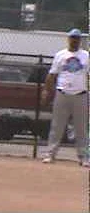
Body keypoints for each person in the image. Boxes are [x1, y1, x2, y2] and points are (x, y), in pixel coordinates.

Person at [41, 28, 89, 167]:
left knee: (81, 128)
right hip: (63, 93)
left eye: (77, 38)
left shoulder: (86, 55)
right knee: (57, 126)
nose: (75, 40)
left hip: (80, 94)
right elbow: (52, 75)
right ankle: (50, 154)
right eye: (73, 38)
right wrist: (46, 91)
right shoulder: (60, 55)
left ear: (80, 40)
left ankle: (84, 157)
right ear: (68, 39)